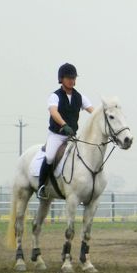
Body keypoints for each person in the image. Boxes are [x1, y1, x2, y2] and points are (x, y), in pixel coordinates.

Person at [36, 63, 95, 200]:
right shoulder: (55, 96)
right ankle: (41, 186)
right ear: (61, 78)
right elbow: (54, 112)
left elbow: (93, 111)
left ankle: (80, 189)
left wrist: (101, 117)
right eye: (69, 78)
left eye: (73, 78)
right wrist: (64, 124)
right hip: (57, 135)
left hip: (72, 136)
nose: (72, 80)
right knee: (50, 156)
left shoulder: (80, 97)